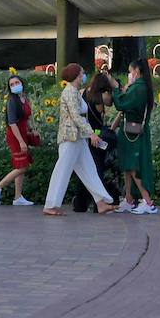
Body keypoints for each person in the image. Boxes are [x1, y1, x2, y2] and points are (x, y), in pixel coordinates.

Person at [42, 63, 114, 216]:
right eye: (81, 74)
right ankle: (50, 204)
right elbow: (75, 116)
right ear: (76, 76)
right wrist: (91, 133)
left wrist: (87, 133)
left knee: (89, 170)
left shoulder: (74, 92)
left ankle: (100, 202)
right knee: (62, 170)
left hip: (78, 138)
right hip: (70, 137)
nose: (83, 76)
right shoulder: (69, 92)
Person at [73, 72, 120, 213]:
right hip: (96, 137)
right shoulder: (99, 98)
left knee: (85, 171)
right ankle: (97, 203)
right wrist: (116, 87)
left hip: (84, 136)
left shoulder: (82, 92)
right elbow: (112, 104)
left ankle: (80, 204)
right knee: (97, 169)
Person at [114, 59, 158, 214]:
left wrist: (116, 90)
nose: (129, 74)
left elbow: (122, 104)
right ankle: (129, 198)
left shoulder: (139, 88)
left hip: (133, 133)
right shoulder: (140, 87)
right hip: (132, 132)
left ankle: (148, 202)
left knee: (133, 167)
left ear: (137, 71)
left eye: (130, 71)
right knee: (127, 166)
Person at [0, 74, 37, 206]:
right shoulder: (12, 101)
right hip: (15, 135)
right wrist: (21, 141)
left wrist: (32, 130)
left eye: (17, 83)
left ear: (22, 83)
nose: (15, 86)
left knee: (21, 165)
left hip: (23, 133)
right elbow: (12, 123)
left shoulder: (24, 98)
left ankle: (18, 197)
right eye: (12, 84)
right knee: (22, 166)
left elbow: (26, 118)